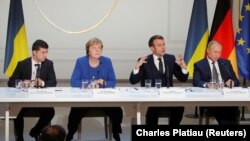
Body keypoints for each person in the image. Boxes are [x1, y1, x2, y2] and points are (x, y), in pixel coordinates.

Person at [65, 37, 123, 141]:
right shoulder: (81, 61)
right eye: (94, 48)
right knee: (75, 112)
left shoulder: (107, 61)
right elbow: (73, 82)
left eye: (100, 48)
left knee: (117, 111)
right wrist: (90, 84)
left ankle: (115, 132)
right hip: (85, 100)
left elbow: (113, 82)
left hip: (103, 100)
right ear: (88, 50)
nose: (97, 50)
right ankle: (70, 133)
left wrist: (103, 83)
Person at [129, 35, 189, 125]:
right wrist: (137, 67)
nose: (163, 47)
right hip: (152, 99)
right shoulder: (145, 61)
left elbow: (182, 78)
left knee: (179, 107)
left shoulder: (170, 58)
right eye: (159, 45)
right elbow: (133, 81)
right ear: (152, 48)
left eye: (164, 44)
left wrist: (184, 68)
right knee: (152, 111)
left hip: (168, 98)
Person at [8, 39, 57, 141]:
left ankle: (35, 131)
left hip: (41, 100)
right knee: (17, 112)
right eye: (43, 52)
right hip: (24, 100)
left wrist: (42, 83)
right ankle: (20, 138)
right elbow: (11, 82)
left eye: (46, 52)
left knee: (50, 112)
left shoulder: (48, 64)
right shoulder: (22, 64)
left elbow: (53, 82)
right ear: (34, 52)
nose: (45, 55)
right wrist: (21, 83)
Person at [193, 40, 240, 125]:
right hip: (210, 99)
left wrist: (232, 82)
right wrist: (207, 84)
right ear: (208, 50)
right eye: (215, 52)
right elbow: (196, 81)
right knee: (224, 113)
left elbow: (236, 80)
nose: (217, 55)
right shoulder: (199, 65)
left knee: (231, 110)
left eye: (219, 52)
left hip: (226, 98)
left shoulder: (225, 63)